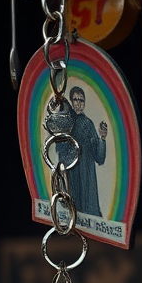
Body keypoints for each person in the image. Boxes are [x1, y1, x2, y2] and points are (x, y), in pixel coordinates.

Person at [52, 85, 108, 217]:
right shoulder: (66, 121)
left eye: (81, 100)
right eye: (75, 99)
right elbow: (60, 150)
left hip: (87, 174)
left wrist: (102, 139)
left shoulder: (88, 124)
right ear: (71, 101)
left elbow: (99, 158)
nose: (78, 103)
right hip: (72, 172)